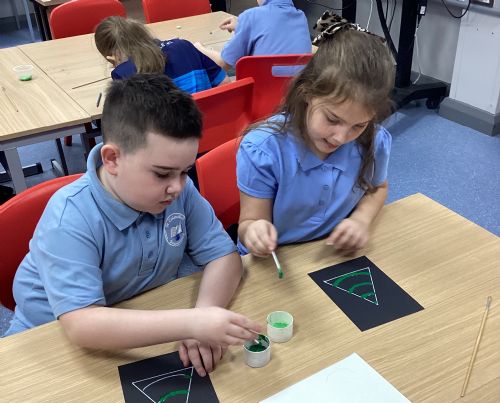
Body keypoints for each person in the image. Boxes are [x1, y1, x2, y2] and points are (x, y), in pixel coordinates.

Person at [5, 74, 261, 376]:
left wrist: (205, 314)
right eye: (162, 174)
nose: (178, 186)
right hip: (47, 340)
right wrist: (192, 323)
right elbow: (82, 324)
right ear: (112, 159)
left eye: (185, 171)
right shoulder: (69, 217)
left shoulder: (177, 191)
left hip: (135, 316)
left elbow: (224, 256)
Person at [236, 13, 395, 257]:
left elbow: (378, 187)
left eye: (359, 125)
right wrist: (254, 231)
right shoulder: (264, 149)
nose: (341, 137)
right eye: (332, 119)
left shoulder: (375, 140)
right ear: (307, 93)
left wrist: (361, 219)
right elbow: (249, 223)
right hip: (275, 260)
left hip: (329, 255)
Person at [94, 17, 230, 93]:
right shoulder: (183, 45)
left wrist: (119, 66)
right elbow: (225, 83)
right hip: (214, 128)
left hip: (169, 135)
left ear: (111, 57)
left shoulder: (122, 73)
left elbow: (129, 122)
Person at [194, 0, 311, 71]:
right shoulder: (301, 17)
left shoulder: (251, 16)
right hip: (295, 99)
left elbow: (223, 64)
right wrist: (242, 26)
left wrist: (199, 48)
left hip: (259, 96)